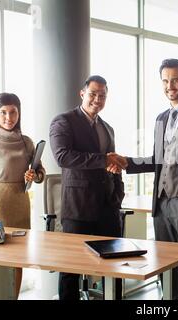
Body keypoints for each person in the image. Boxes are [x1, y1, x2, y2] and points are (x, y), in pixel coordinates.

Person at [108, 59, 178, 300]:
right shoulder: (161, 119)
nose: (170, 85)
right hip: (161, 203)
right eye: (166, 80)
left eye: (176, 80)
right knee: (166, 264)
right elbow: (159, 159)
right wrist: (127, 161)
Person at [49, 75, 125, 300]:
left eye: (102, 96)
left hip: (108, 206)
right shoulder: (64, 121)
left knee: (114, 266)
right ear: (82, 94)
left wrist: (118, 193)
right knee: (70, 269)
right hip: (78, 208)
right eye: (93, 94)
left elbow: (113, 164)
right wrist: (103, 159)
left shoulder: (108, 128)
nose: (97, 99)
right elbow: (63, 157)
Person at [0, 92, 46, 298]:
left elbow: (41, 173)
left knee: (20, 255)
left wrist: (33, 175)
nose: (9, 117)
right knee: (0, 253)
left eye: (13, 112)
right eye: (4, 112)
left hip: (21, 200)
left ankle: (13, 297)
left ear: (19, 113)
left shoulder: (27, 142)